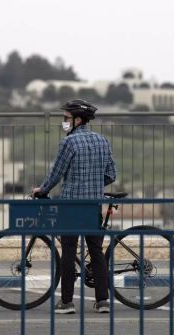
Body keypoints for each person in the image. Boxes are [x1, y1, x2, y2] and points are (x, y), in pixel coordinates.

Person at [31, 99, 116, 314]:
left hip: (71, 204)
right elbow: (111, 174)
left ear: (78, 120)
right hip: (93, 203)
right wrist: (94, 184)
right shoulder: (102, 141)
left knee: (68, 251)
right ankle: (103, 301)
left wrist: (41, 190)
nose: (64, 122)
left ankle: (67, 302)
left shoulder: (68, 143)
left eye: (66, 118)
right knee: (96, 251)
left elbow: (56, 174)